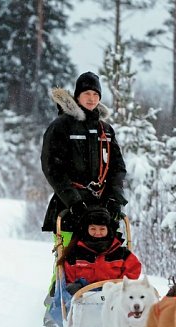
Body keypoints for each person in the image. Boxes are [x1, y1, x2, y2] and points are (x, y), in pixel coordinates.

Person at [41, 71, 127, 235]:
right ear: (77, 95)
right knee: (69, 258)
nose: (91, 98)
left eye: (96, 94)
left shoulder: (106, 130)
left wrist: (115, 197)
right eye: (87, 93)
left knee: (107, 259)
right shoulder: (61, 126)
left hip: (103, 210)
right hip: (69, 208)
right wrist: (73, 201)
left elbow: (117, 168)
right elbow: (52, 168)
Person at [44, 206, 142, 327]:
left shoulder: (120, 252)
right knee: (70, 294)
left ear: (109, 230)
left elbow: (133, 269)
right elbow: (68, 275)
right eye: (93, 229)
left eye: (102, 229)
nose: (98, 232)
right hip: (84, 295)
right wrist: (74, 285)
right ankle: (68, 324)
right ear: (86, 229)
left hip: (115, 294)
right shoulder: (75, 253)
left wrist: (124, 285)